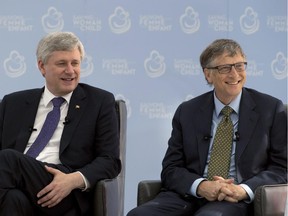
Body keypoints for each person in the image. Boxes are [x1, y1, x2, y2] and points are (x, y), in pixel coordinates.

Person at [127, 39, 287, 216]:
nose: (235, 74)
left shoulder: (270, 109)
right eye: (225, 68)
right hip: (188, 195)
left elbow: (281, 168)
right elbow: (171, 168)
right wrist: (201, 186)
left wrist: (243, 189)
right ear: (208, 74)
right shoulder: (187, 111)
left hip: (235, 199)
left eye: (240, 66)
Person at [0, 31, 121, 216]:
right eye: (62, 64)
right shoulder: (12, 103)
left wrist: (73, 180)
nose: (70, 71)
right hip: (17, 183)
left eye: (75, 63)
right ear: (42, 66)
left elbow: (110, 161)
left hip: (65, 187)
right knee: (12, 199)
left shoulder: (99, 102)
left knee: (7, 159)